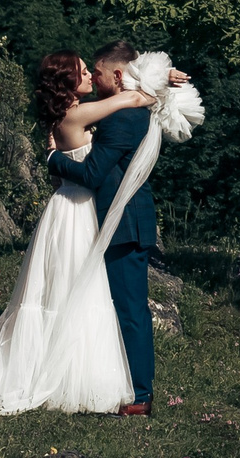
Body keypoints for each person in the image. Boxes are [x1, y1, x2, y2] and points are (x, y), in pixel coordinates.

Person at [0, 50, 141, 414]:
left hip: (64, 205)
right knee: (79, 290)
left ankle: (48, 369)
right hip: (78, 209)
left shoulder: (62, 117)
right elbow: (135, 97)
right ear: (68, 83)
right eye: (83, 71)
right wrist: (161, 78)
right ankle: (74, 380)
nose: (92, 74)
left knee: (58, 290)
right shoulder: (78, 114)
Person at [45, 40, 191, 414]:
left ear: (117, 74)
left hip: (124, 224)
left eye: (96, 70)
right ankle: (121, 386)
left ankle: (140, 397)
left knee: (130, 310)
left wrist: (53, 160)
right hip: (118, 221)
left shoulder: (121, 116)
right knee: (117, 308)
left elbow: (93, 173)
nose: (93, 77)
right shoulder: (122, 109)